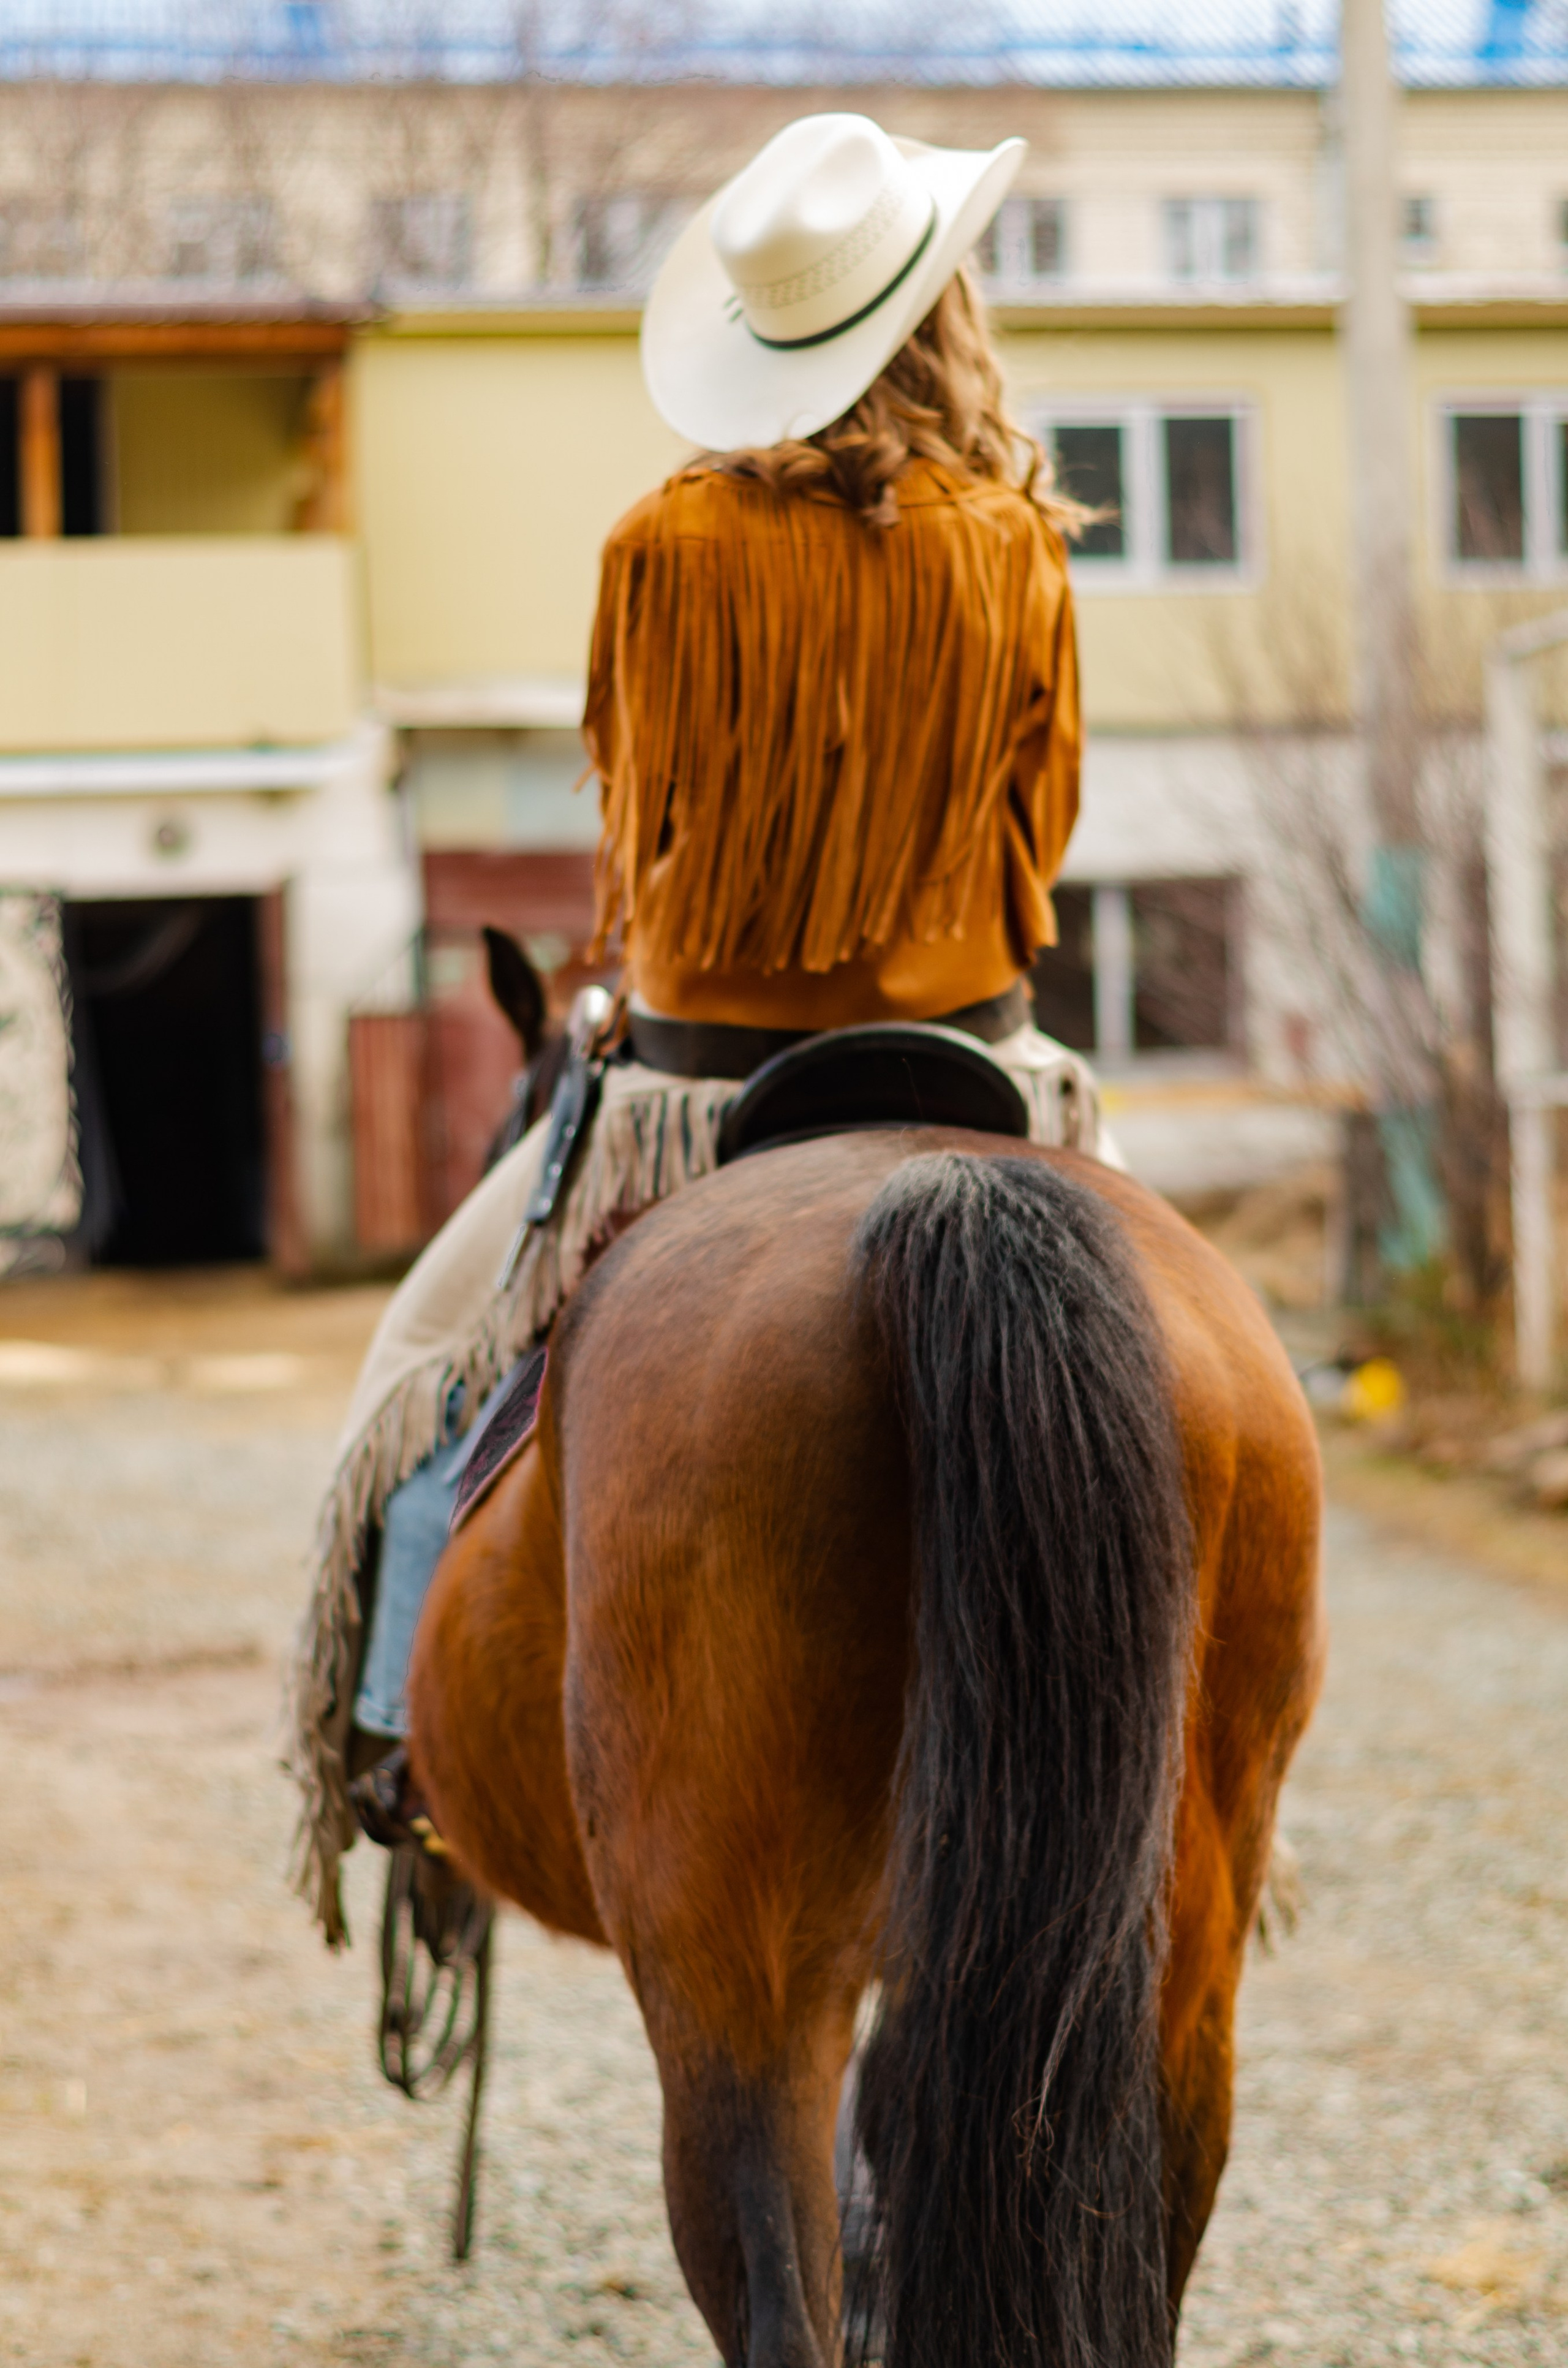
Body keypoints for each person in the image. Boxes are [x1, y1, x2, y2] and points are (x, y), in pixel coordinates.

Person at [288, 110, 1113, 1940]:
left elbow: (640, 828)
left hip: (693, 1097)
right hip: (988, 1068)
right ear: (942, 315)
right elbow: (1040, 837)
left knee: (425, 1377)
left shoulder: (660, 545)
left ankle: (387, 1732)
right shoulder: (1020, 549)